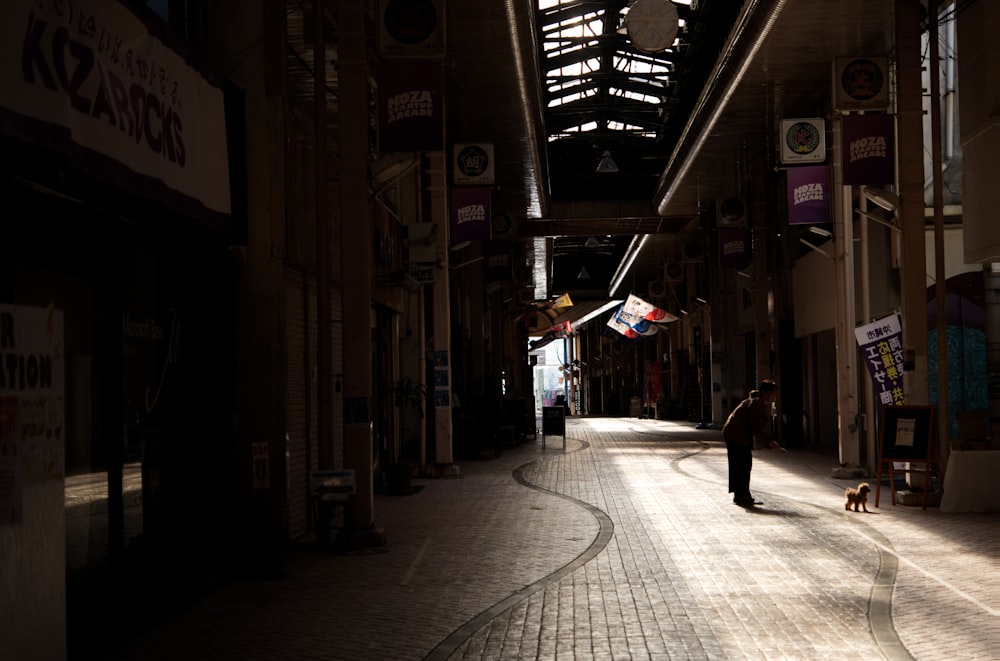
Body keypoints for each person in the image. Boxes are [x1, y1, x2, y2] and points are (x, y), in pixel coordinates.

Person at [721, 379, 780, 506]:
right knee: (742, 465)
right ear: (765, 392)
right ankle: (742, 496)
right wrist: (770, 442)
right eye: (773, 393)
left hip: (739, 435)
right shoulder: (756, 405)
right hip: (735, 435)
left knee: (743, 465)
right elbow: (757, 428)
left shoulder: (760, 403)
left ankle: (742, 495)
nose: (775, 396)